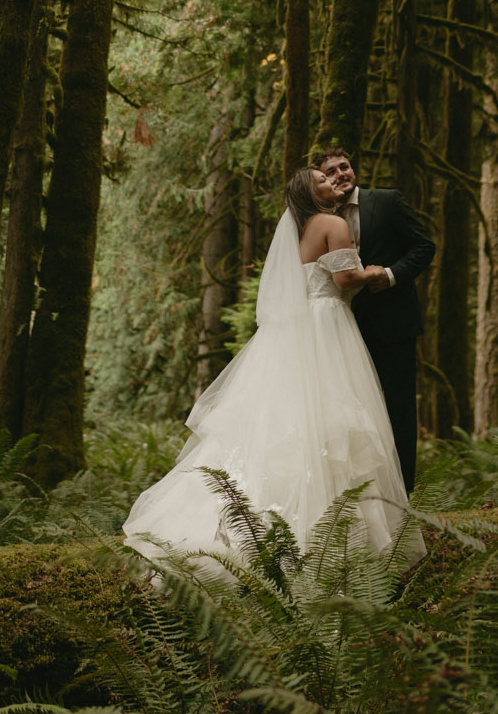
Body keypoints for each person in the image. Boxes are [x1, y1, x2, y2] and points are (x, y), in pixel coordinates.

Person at [123, 165, 421, 569]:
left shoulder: (297, 232)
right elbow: (347, 278)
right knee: (334, 415)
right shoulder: (332, 223)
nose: (331, 182)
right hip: (328, 324)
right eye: (322, 180)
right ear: (310, 192)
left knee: (294, 417)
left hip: (301, 326)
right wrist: (377, 272)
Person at [316, 149, 435, 492]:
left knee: (399, 410)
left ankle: (405, 495)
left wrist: (392, 273)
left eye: (345, 166)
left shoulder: (386, 201)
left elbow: (424, 246)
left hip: (393, 325)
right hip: (341, 331)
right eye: (331, 171)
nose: (341, 174)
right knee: (351, 415)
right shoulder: (318, 218)